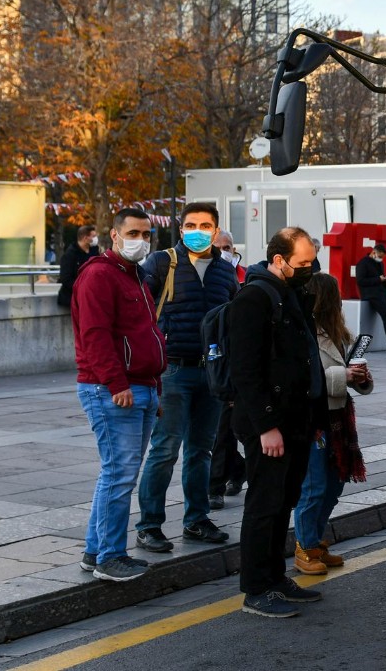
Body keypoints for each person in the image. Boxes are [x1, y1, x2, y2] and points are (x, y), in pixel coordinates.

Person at [230, 227, 326, 618]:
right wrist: (266, 425)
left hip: (297, 418)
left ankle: (275, 578)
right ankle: (256, 588)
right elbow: (246, 371)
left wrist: (315, 417)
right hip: (268, 424)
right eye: (302, 263)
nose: (309, 269)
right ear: (278, 260)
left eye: (311, 262)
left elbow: (305, 359)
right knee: (264, 503)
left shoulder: (292, 293)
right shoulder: (253, 298)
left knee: (285, 500)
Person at [134, 203, 239, 553]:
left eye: (205, 225)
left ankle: (197, 519)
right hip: (173, 371)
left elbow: (233, 321)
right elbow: (136, 310)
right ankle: (149, 525)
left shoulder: (226, 272)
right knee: (165, 450)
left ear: (216, 229)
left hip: (211, 372)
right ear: (180, 229)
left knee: (201, 451)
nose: (198, 230)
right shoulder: (162, 263)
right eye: (191, 224)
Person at [71, 208, 165, 583]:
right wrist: (117, 385)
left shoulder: (135, 276)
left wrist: (152, 388)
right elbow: (94, 336)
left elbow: (148, 334)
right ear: (114, 234)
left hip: (140, 386)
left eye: (145, 233)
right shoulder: (99, 275)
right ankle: (110, 556)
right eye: (133, 232)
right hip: (112, 388)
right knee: (119, 475)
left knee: (117, 473)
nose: (140, 239)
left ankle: (95, 551)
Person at [292, 272, 371, 575]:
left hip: (338, 417)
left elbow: (347, 375)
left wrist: (361, 379)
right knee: (314, 486)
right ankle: (304, 547)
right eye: (335, 296)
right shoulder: (303, 332)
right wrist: (344, 377)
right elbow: (300, 380)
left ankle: (315, 540)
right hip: (314, 419)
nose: (339, 302)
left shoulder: (337, 332)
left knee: (335, 484)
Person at [207, 231, 246, 510]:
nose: (225, 252)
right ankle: (238, 469)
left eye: (228, 247)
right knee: (212, 433)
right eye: (219, 247)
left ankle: (215, 487)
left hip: (227, 363)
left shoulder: (243, 277)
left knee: (223, 430)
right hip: (203, 360)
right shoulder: (203, 277)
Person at [355, 242, 386, 353]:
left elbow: (379, 278)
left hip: (382, 293)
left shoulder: (379, 264)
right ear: (374, 252)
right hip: (371, 295)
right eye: (380, 256)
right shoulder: (363, 263)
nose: (381, 259)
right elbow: (360, 280)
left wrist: (384, 279)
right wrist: (379, 279)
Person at [57, 225, 99, 307]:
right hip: (73, 298)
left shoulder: (94, 252)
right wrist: (84, 288)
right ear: (85, 238)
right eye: (93, 236)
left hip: (90, 297)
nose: (95, 239)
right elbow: (66, 279)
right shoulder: (70, 255)